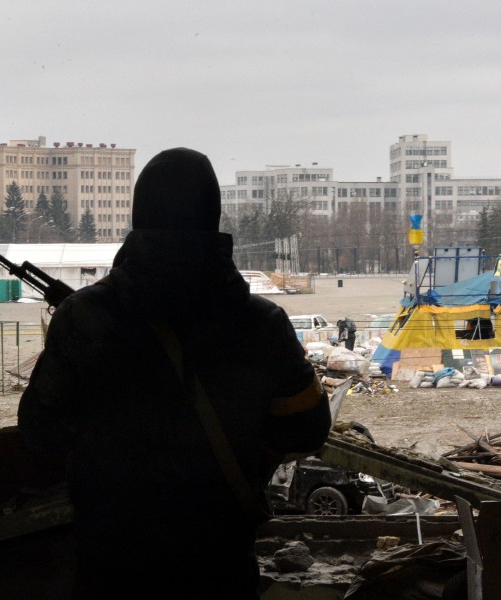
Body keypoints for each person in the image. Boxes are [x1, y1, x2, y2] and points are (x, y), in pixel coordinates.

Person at [18, 147, 332, 599]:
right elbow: (308, 430)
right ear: (213, 218)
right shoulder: (262, 323)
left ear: (137, 218)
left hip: (112, 565)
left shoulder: (83, 318)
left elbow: (39, 435)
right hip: (220, 564)